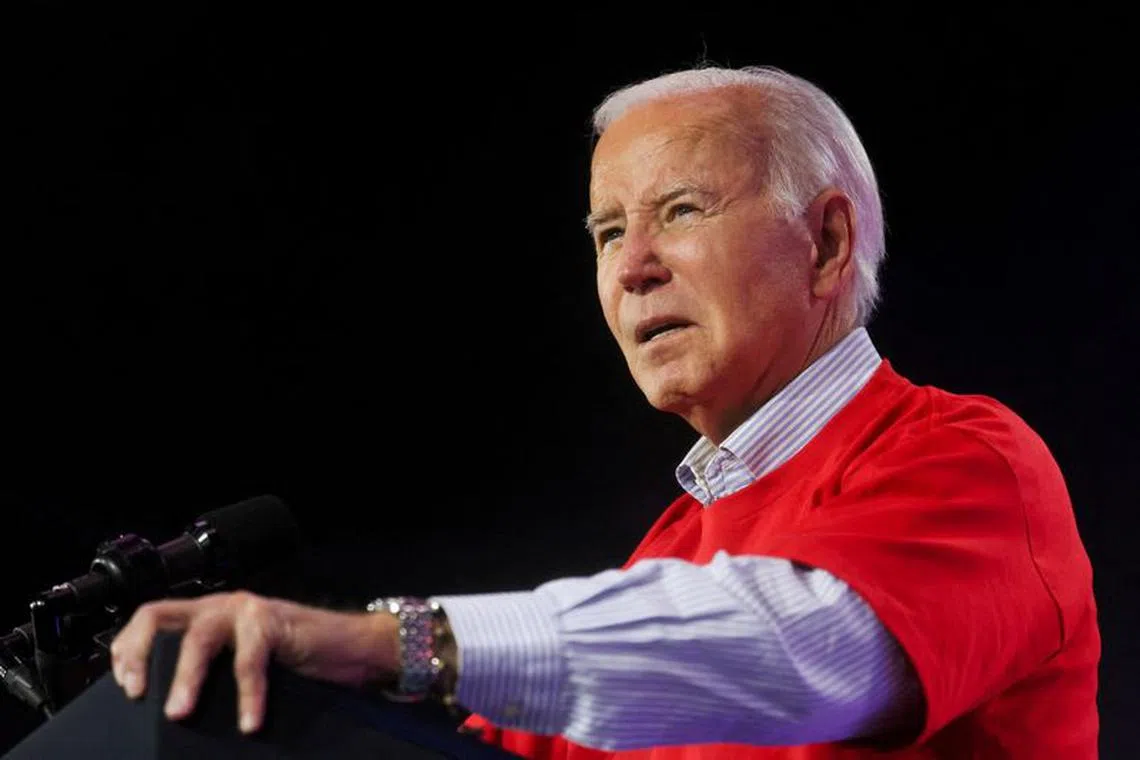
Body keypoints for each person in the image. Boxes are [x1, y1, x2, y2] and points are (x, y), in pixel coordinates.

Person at [109, 66, 1100, 758]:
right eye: (608, 231)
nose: (632, 268)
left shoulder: (970, 461)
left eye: (681, 211)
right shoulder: (668, 553)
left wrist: (384, 641)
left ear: (827, 243)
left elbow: (798, 650)